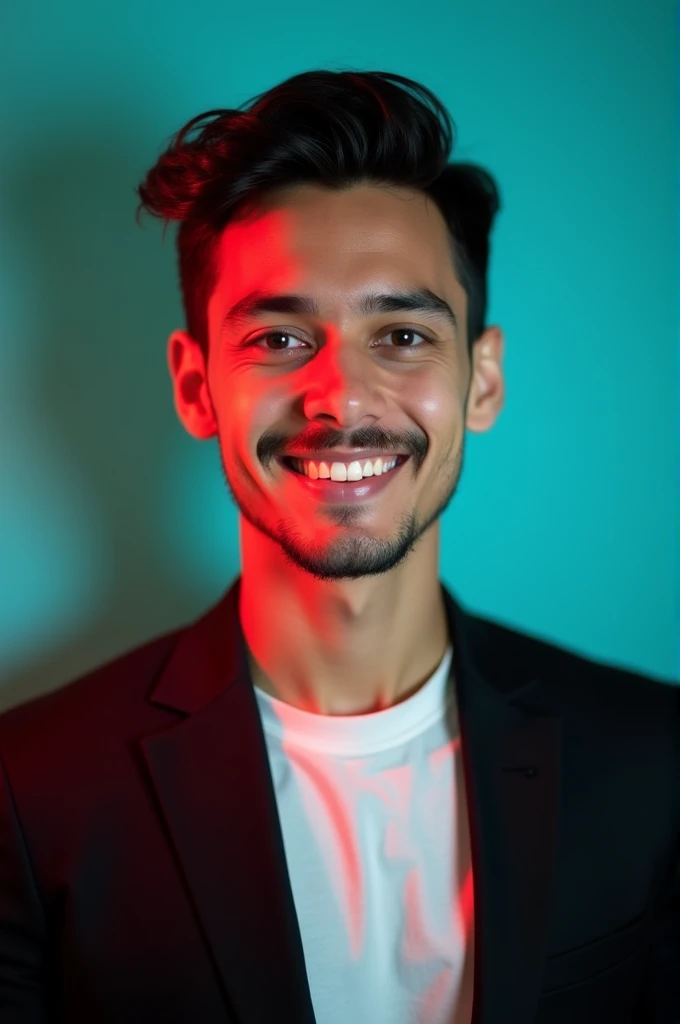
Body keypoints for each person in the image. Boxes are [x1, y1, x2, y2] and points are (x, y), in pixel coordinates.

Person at [0, 68, 677, 1024]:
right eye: (278, 339)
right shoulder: (29, 791)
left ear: (482, 382)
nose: (342, 399)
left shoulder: (654, 762)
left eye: (400, 333)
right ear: (196, 387)